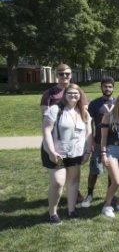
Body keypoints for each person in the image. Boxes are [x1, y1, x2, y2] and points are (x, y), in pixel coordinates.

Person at [41, 84, 92, 225]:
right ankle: (53, 213)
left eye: (76, 93)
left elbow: (88, 133)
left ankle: (71, 210)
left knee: (73, 182)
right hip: (57, 153)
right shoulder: (55, 110)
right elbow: (46, 131)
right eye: (70, 93)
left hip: (76, 153)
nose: (73, 95)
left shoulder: (84, 113)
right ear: (65, 94)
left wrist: (88, 152)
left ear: (80, 95)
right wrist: (51, 152)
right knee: (58, 182)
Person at [40, 63, 89, 203]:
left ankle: (74, 194)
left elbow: (84, 115)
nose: (65, 76)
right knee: (58, 174)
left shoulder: (78, 91)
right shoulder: (49, 93)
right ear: (57, 75)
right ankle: (57, 197)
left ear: (71, 75)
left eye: (67, 73)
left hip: (74, 139)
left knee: (73, 172)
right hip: (57, 137)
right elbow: (45, 116)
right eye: (61, 74)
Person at [81, 76, 115, 208]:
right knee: (94, 170)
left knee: (113, 171)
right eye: (105, 86)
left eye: (110, 86)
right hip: (98, 142)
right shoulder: (94, 104)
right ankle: (89, 194)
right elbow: (88, 124)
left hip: (114, 143)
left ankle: (110, 195)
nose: (107, 89)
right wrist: (92, 142)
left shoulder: (118, 103)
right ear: (101, 87)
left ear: (113, 88)